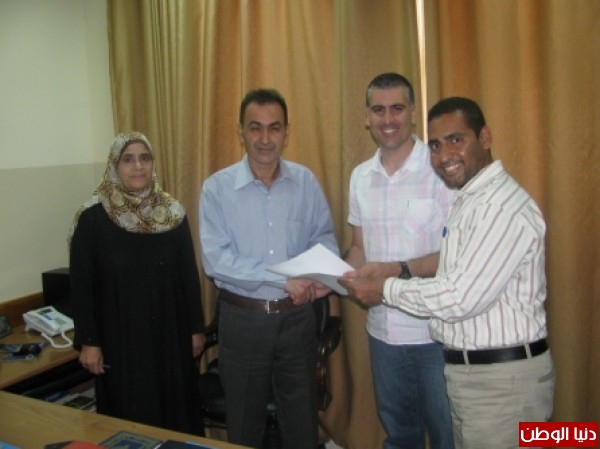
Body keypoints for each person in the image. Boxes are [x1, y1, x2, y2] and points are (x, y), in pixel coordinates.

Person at [340, 97, 555, 449]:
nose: (444, 156)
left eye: (456, 140)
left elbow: (459, 297)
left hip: (502, 384)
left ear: (485, 137)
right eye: (437, 145)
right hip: (475, 375)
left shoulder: (498, 207)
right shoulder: (470, 201)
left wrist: (386, 288)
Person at [200, 88, 339, 449]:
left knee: (302, 425)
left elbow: (324, 238)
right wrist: (282, 278)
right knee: (245, 428)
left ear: (286, 132)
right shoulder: (217, 189)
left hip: (297, 320)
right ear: (240, 131)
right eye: (255, 127)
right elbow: (217, 261)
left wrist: (321, 277)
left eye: (274, 128)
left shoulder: (305, 182)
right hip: (243, 321)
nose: (265, 138)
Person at [344, 72, 454, 449]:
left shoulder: (441, 170)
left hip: (436, 334)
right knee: (401, 438)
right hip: (383, 334)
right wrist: (332, 276)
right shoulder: (360, 177)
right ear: (367, 117)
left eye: (397, 109)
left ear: (413, 113)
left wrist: (393, 273)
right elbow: (359, 248)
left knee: (449, 438)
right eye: (378, 110)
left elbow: (457, 255)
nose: (387, 119)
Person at [69, 131, 205, 435]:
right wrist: (89, 341)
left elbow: (188, 275)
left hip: (171, 336)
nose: (138, 166)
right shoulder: (92, 219)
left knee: (177, 413)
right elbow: (81, 286)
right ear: (114, 166)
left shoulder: (172, 214)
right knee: (130, 422)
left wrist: (196, 328)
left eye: (145, 158)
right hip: (120, 341)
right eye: (128, 159)